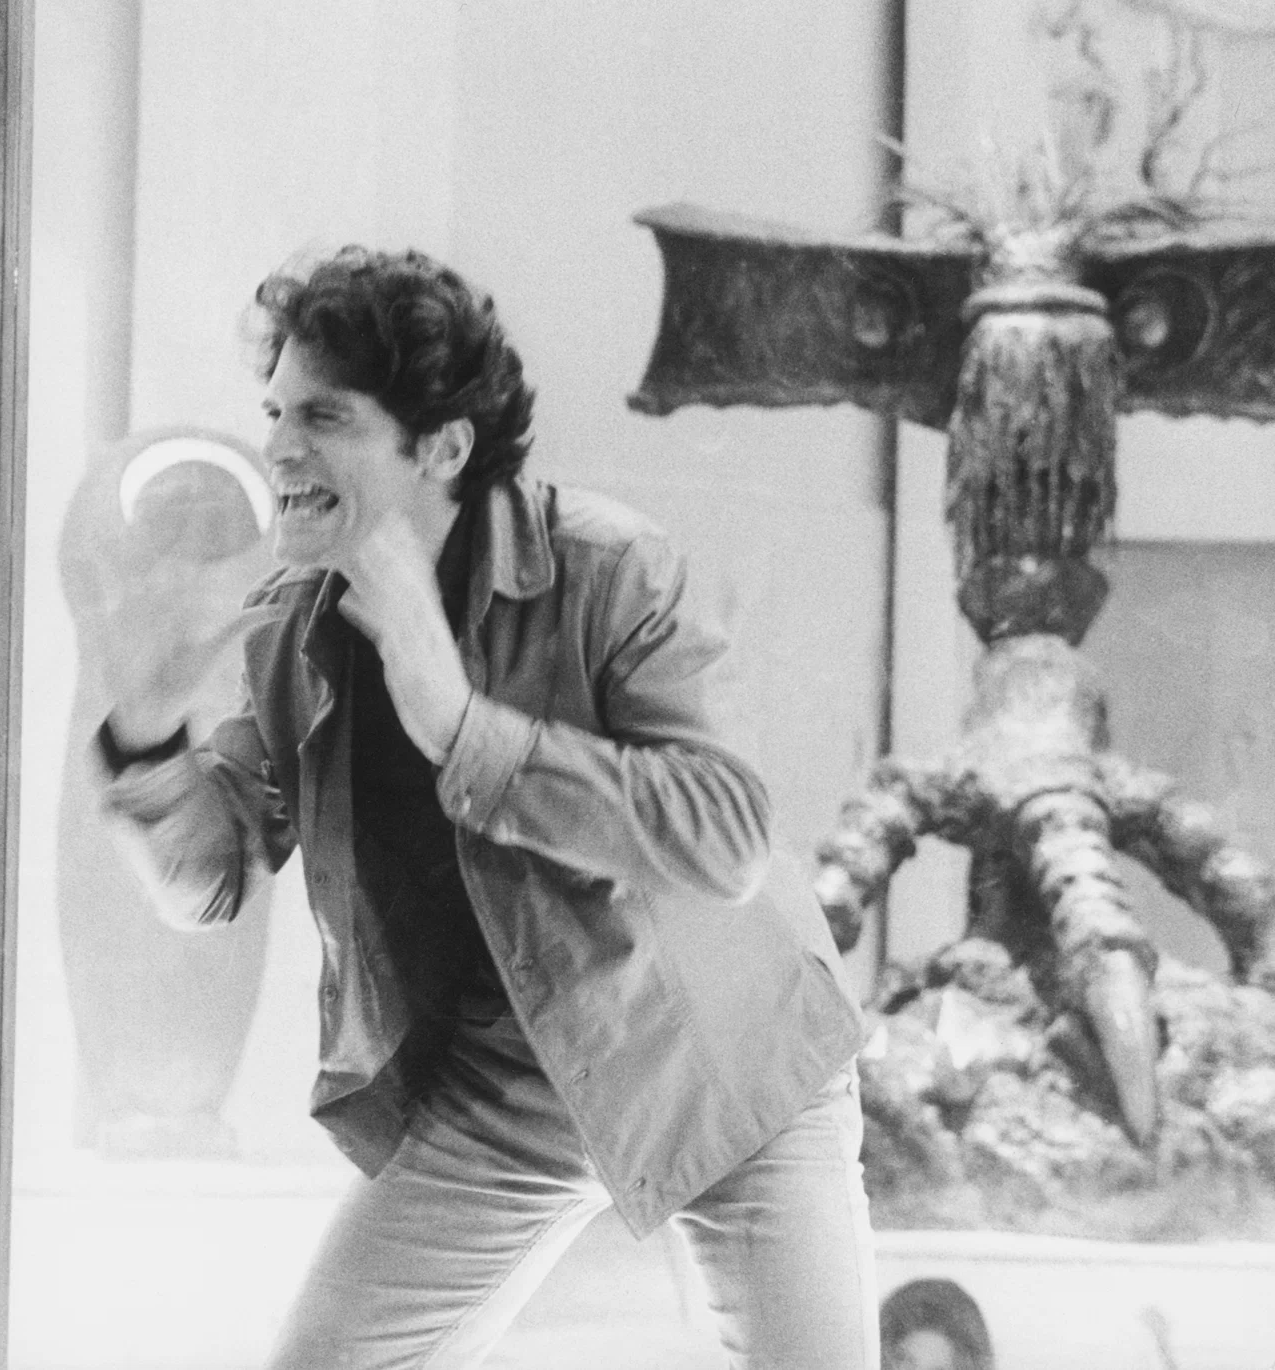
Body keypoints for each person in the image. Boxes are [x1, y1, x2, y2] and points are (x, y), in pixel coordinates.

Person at [97, 246, 877, 1368]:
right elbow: (210, 882)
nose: (277, 449)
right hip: (506, 1087)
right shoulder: (291, 625)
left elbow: (726, 834)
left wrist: (462, 727)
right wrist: (146, 733)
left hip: (727, 1061)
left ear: (445, 447)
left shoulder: (609, 567)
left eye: (323, 417)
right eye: (275, 413)